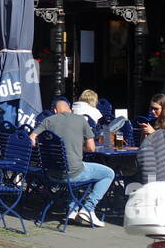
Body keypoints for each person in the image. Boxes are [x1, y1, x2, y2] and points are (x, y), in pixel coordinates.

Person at [30, 97, 115, 227]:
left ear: (54, 110)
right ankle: (88, 208)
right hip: (73, 173)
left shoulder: (47, 120)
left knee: (74, 166)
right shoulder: (80, 120)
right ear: (69, 109)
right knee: (108, 173)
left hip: (51, 173)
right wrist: (77, 147)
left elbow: (31, 139)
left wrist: (44, 146)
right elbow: (91, 148)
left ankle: (72, 209)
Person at [135, 94, 165, 185]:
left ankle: (151, 187)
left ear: (164, 109)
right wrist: (143, 133)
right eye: (151, 108)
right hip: (151, 160)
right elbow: (143, 145)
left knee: (149, 171)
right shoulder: (152, 122)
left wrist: (153, 133)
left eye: (156, 109)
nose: (152, 111)